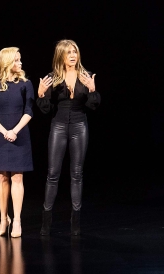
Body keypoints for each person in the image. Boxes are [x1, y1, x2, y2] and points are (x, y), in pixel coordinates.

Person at [36, 39, 100, 236]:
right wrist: (41, 95)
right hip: (59, 125)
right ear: (61, 56)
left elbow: (93, 106)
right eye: (69, 52)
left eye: (75, 51)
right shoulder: (52, 77)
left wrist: (92, 90)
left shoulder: (86, 76)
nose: (73, 55)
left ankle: (75, 224)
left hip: (80, 126)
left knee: (77, 174)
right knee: (53, 174)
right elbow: (46, 109)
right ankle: (46, 223)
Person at [0, 47, 35, 237]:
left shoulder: (25, 83)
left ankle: (17, 221)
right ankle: (3, 219)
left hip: (19, 133)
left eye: (20, 60)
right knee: (2, 177)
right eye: (16, 60)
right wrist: (4, 131)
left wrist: (14, 130)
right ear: (6, 62)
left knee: (17, 177)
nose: (20, 63)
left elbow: (29, 111)